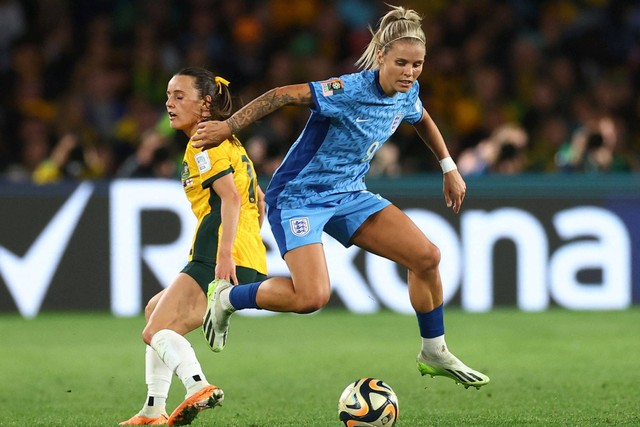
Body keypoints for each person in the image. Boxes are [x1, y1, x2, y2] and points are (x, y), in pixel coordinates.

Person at [193, 5, 489, 390]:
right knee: (311, 297)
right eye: (401, 63)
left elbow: (422, 118)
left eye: (417, 65)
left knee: (427, 257)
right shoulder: (347, 90)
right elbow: (283, 94)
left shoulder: (407, 91)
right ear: (381, 55)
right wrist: (228, 127)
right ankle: (229, 297)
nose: (410, 73)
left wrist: (449, 167)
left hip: (349, 193)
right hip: (299, 197)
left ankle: (433, 350)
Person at [119, 67, 267, 426]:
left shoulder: (204, 140)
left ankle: (197, 386)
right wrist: (244, 244)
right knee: (156, 310)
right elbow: (259, 202)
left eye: (179, 96)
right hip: (245, 250)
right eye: (168, 96)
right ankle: (153, 410)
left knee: (154, 331)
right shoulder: (228, 141)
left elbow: (230, 199)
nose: (169, 104)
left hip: (216, 252)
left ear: (204, 104)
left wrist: (224, 255)